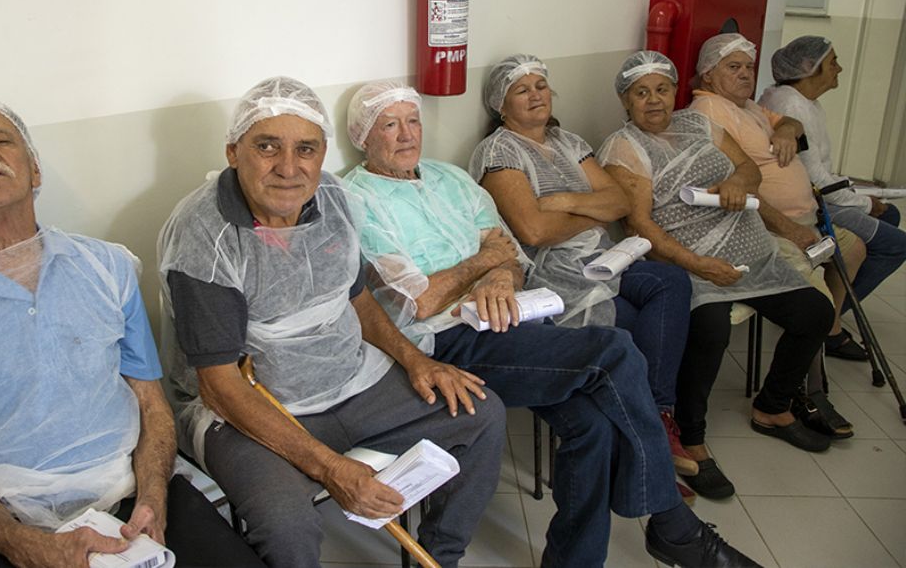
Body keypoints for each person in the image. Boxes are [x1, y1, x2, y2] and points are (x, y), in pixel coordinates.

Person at [342, 80, 761, 568]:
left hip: (510, 322)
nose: (406, 134)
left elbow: (513, 257)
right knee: (616, 349)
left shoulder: (449, 178)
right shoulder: (358, 199)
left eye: (411, 121)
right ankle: (671, 523)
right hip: (442, 342)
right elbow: (418, 299)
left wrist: (498, 275)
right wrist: (481, 265)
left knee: (594, 427)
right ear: (362, 136)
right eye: (389, 125)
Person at [0, 98, 264, 568]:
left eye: (1, 141)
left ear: (35, 171)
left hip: (126, 489)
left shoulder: (107, 269)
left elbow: (150, 404)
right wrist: (23, 544)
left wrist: (152, 497)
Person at [157, 77, 506, 568]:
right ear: (234, 152)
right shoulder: (204, 237)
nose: (288, 167)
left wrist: (415, 361)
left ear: (323, 154)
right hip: (252, 406)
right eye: (267, 147)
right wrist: (331, 469)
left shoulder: (334, 200)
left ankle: (440, 555)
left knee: (482, 414)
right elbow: (218, 387)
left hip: (351, 378)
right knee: (286, 524)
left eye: (306, 149)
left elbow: (356, 296)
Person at [599, 52, 837, 500]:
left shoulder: (699, 124)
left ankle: (773, 407)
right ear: (625, 101)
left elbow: (748, 168)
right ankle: (690, 436)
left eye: (662, 89)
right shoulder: (623, 148)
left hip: (754, 255)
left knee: (815, 312)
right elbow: (640, 225)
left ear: (675, 92)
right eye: (641, 92)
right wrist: (697, 264)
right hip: (690, 261)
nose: (654, 100)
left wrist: (739, 184)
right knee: (709, 328)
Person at [468, 54, 696, 479]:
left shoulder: (569, 142)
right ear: (502, 105)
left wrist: (566, 202)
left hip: (602, 257)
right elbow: (533, 231)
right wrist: (594, 211)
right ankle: (640, 438)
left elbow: (621, 202)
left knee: (672, 282)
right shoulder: (499, 151)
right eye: (522, 89)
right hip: (552, 272)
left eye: (541, 86)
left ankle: (656, 411)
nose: (536, 95)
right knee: (633, 322)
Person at [690, 33, 868, 365]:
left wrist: (787, 129)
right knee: (817, 306)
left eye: (749, 66)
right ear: (709, 74)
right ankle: (804, 388)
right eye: (733, 67)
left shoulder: (748, 106)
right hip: (771, 227)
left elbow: (790, 121)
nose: (745, 73)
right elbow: (740, 190)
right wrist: (790, 229)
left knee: (855, 247)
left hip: (805, 218)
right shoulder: (710, 110)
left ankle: (828, 333)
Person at [759, 35, 906, 318]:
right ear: (808, 66)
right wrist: (864, 203)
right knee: (896, 245)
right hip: (810, 202)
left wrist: (858, 194)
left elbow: (822, 169)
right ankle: (829, 318)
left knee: (890, 215)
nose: (839, 69)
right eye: (833, 62)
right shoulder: (790, 106)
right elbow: (815, 180)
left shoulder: (805, 103)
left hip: (819, 192)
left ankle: (831, 303)